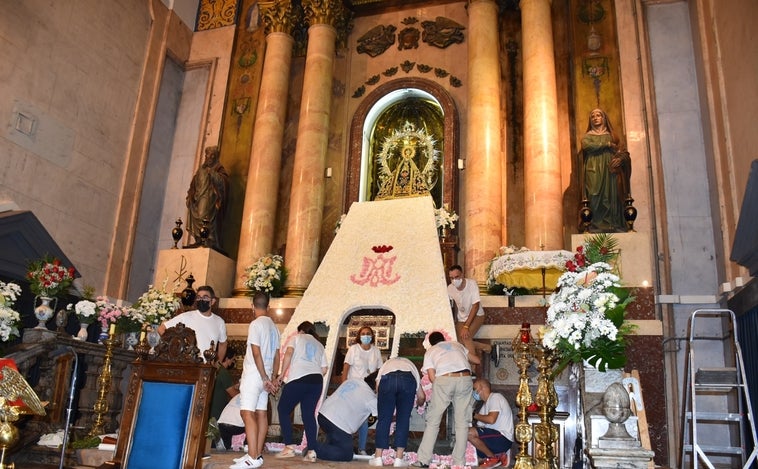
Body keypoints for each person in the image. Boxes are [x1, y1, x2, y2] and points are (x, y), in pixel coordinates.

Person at [412, 332, 480, 467]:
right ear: (443, 339)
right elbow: (477, 360)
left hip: (445, 379)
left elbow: (432, 377)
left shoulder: (431, 351)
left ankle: (423, 460)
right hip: (465, 379)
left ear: (431, 343)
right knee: (462, 422)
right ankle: (459, 462)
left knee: (433, 421)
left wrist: (441, 388)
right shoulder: (457, 345)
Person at [230, 292, 281, 469]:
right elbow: (277, 356)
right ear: (268, 307)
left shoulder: (255, 324)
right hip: (265, 376)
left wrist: (264, 377)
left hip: (255, 375)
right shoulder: (274, 327)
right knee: (261, 413)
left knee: (247, 413)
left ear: (252, 306)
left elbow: (256, 352)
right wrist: (272, 378)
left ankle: (251, 457)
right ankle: (256, 454)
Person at [274, 321, 328, 459]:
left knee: (283, 410)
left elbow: (288, 354)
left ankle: (289, 447)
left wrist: (281, 374)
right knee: (308, 415)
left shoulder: (296, 338)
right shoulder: (319, 345)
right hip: (316, 381)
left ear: (301, 331)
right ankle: (311, 451)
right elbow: (324, 369)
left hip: (298, 378)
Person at [305, 373, 379, 463]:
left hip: (323, 415)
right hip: (338, 424)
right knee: (346, 454)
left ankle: (321, 448)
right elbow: (385, 417)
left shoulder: (353, 380)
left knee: (336, 443)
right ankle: (313, 448)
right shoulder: (371, 398)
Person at [580, 108, 631, 233]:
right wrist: (606, 145)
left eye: (599, 115)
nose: (596, 118)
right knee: (593, 194)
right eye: (593, 116)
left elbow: (624, 153)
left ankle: (613, 224)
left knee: (611, 195)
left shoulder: (613, 135)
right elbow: (587, 146)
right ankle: (595, 224)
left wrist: (620, 160)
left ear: (604, 118)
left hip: (610, 170)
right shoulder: (588, 136)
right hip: (593, 169)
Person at [370, 357, 426, 468]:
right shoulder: (412, 367)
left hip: (387, 379)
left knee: (384, 419)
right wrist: (419, 404)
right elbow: (422, 396)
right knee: (403, 420)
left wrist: (386, 406)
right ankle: (398, 459)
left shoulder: (385, 366)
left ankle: (378, 458)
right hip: (408, 380)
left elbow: (378, 389)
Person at [158, 285, 228, 363]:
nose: (201, 300)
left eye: (205, 297)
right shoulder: (186, 317)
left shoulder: (219, 322)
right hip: (187, 364)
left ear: (213, 301)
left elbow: (223, 344)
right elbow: (161, 328)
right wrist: (175, 344)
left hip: (207, 367)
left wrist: (218, 364)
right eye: (199, 297)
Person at [342, 326, 384, 455]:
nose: (366, 336)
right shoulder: (353, 349)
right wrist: (343, 384)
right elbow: (346, 367)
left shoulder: (376, 351)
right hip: (353, 388)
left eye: (368, 334)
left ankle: (361, 448)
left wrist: (378, 388)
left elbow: (380, 370)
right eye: (363, 334)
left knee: (364, 418)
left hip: (368, 390)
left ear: (372, 336)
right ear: (359, 336)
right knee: (349, 417)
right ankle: (345, 446)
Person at [447, 265, 498, 368]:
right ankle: (488, 348)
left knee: (466, 336)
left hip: (476, 315)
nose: (454, 280)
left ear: (462, 275)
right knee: (458, 343)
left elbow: (475, 306)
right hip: (461, 318)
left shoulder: (472, 284)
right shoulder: (450, 288)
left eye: (456, 277)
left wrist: (466, 327)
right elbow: (450, 306)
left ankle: (472, 368)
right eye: (451, 278)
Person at [186, 145, 229, 249]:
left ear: (215, 157)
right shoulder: (201, 168)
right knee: (198, 214)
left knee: (204, 217)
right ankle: (199, 239)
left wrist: (213, 174)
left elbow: (224, 183)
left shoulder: (218, 169)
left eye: (211, 156)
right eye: (206, 156)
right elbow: (194, 183)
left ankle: (209, 239)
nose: (208, 158)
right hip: (198, 198)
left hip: (210, 199)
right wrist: (191, 195)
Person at [467, 378, 514, 468]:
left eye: (475, 388)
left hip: (502, 438)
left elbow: (491, 419)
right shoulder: (485, 404)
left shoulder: (495, 397)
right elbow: (479, 426)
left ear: (481, 388)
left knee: (468, 433)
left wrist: (473, 415)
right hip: (494, 438)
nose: (474, 392)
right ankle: (500, 455)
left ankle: (493, 458)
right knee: (465, 435)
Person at [210, 351, 238, 422]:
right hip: (218, 412)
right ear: (227, 359)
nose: (233, 362)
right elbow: (234, 395)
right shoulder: (223, 372)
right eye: (233, 359)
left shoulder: (215, 369)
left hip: (211, 410)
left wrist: (233, 386)